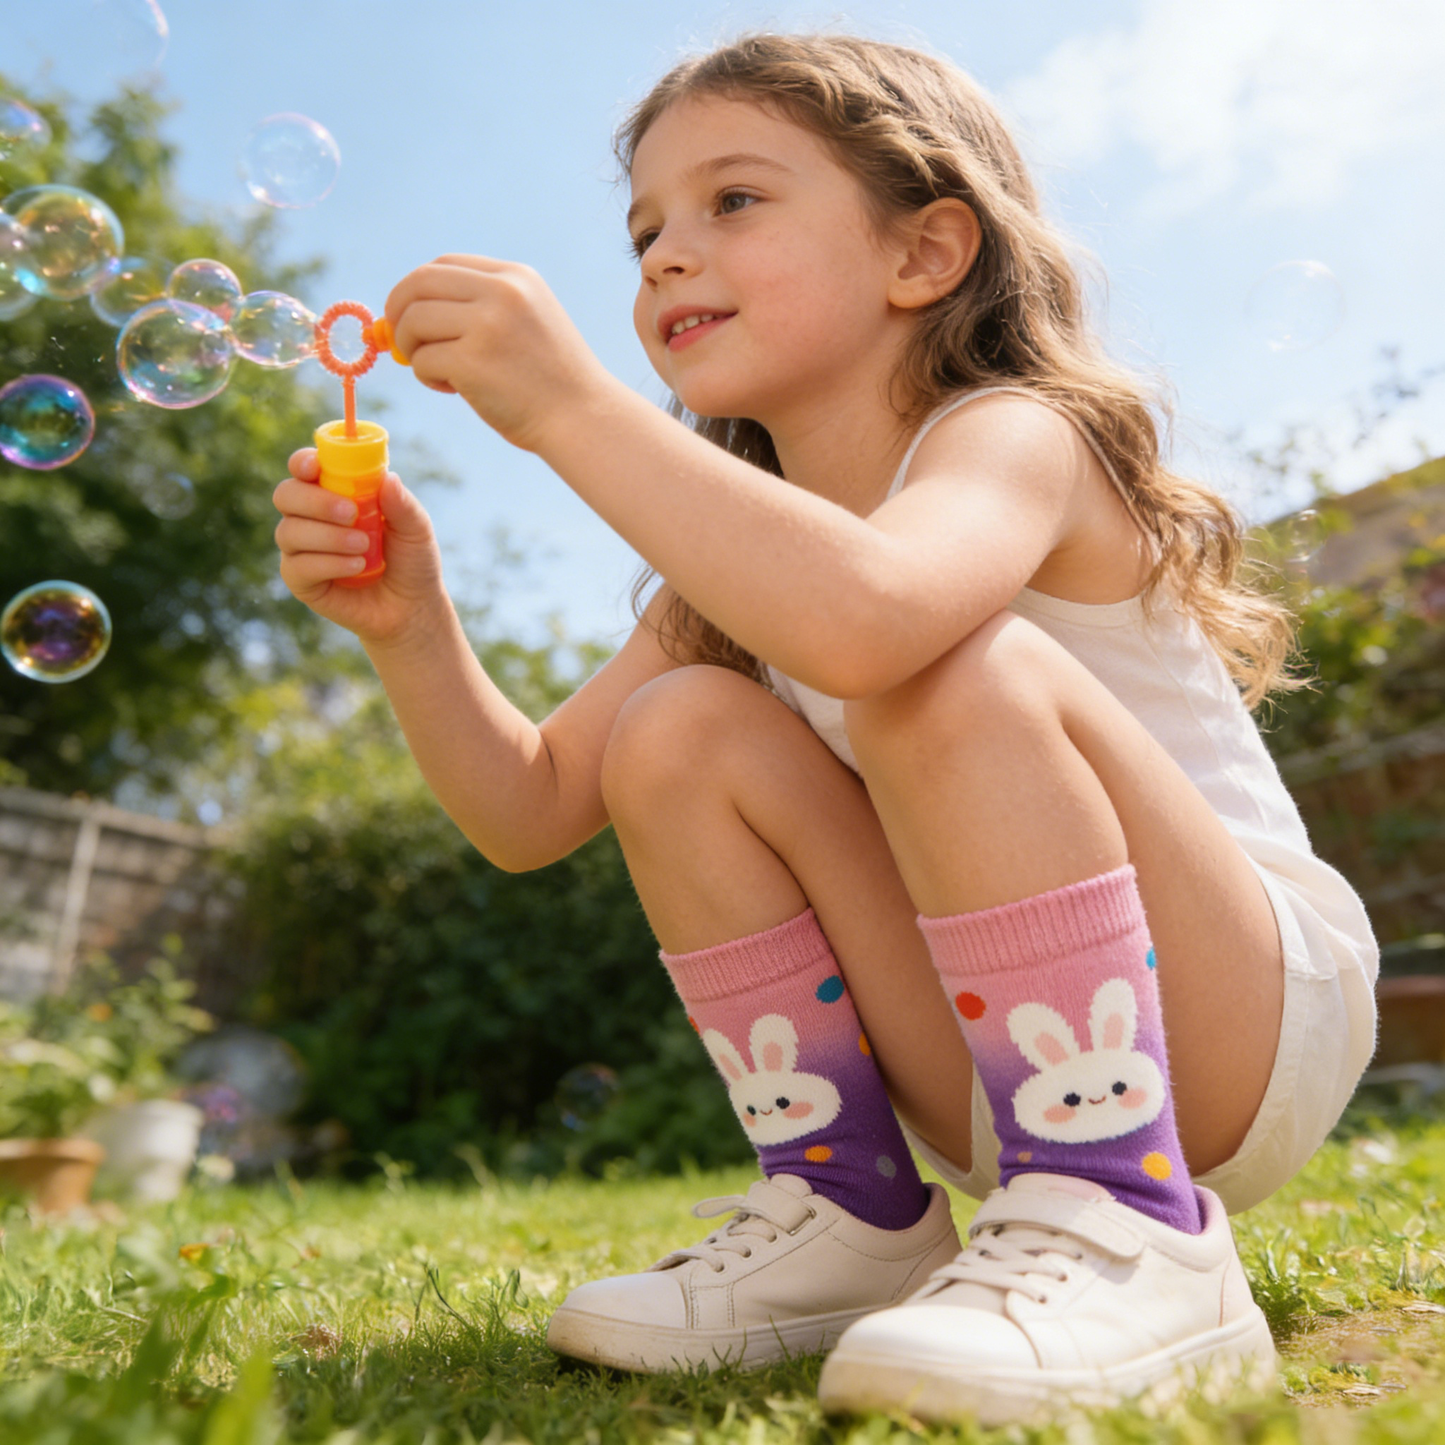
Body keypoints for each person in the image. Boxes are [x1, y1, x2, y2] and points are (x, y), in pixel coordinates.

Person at [272, 31, 1379, 1427]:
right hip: (995, 1075)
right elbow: (531, 805)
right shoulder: (725, 583)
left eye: (733, 201)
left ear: (924, 254)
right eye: (646, 231)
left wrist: (565, 406)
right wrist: (412, 623)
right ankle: (852, 1216)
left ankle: (1135, 1224)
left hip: (1234, 1021)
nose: (668, 253)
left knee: (934, 664)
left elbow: (875, 619)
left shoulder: (1013, 438)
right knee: (674, 727)